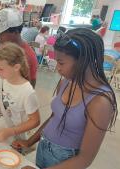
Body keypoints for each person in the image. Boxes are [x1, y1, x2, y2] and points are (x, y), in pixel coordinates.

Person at [12, 28, 118, 169]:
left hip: (66, 160)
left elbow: (84, 159)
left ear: (83, 61)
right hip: (44, 148)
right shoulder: (66, 81)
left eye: (61, 63)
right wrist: (29, 141)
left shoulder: (100, 102)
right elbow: (54, 118)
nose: (57, 69)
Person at [0, 8, 38, 127]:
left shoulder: (29, 56)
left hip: (11, 112)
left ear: (16, 32)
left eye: (1, 33)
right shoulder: (1, 49)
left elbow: (30, 85)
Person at [0, 42, 40, 144]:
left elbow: (35, 120)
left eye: (0, 69)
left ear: (16, 67)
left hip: (12, 140)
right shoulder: (0, 78)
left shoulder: (27, 92)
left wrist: (11, 131)